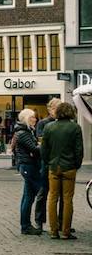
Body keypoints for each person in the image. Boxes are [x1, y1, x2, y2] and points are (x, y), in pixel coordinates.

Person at [41, 102, 84, 240]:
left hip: (53, 167)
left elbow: (44, 149)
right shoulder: (75, 128)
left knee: (52, 198)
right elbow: (79, 150)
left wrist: (48, 162)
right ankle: (66, 231)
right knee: (67, 199)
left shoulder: (49, 127)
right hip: (69, 167)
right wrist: (76, 165)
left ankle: (53, 231)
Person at [13, 108, 41, 235]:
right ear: (25, 119)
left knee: (27, 196)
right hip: (28, 166)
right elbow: (34, 149)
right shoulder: (24, 133)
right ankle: (26, 226)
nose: (35, 120)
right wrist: (43, 144)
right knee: (29, 197)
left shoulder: (25, 131)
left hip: (28, 166)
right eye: (32, 118)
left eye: (34, 117)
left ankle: (26, 225)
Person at [34, 97, 60, 232]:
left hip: (60, 162)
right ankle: (39, 220)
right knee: (43, 192)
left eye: (59, 108)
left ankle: (61, 222)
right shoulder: (43, 123)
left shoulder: (64, 122)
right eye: (55, 108)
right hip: (46, 163)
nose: (57, 111)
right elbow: (41, 143)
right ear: (50, 109)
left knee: (61, 194)